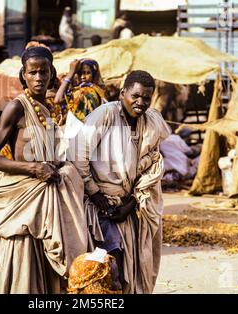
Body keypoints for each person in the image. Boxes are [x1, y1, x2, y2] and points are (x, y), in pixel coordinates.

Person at [0, 46, 88, 293]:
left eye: (44, 72)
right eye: (33, 72)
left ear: (52, 73)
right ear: (24, 75)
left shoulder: (49, 108)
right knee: (25, 268)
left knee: (50, 272)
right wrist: (33, 168)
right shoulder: (16, 107)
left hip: (49, 199)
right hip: (25, 201)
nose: (39, 77)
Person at [73, 70, 171, 293]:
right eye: (135, 96)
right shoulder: (105, 115)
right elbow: (78, 153)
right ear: (122, 93)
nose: (140, 102)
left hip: (128, 207)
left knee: (132, 269)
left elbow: (153, 164)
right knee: (109, 266)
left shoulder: (151, 121)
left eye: (146, 98)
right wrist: (97, 197)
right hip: (100, 205)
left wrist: (132, 203)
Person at [54, 58, 106, 122]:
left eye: (87, 73)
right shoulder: (98, 90)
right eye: (79, 74)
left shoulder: (85, 92)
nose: (82, 77)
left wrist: (71, 72)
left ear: (94, 75)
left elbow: (58, 100)